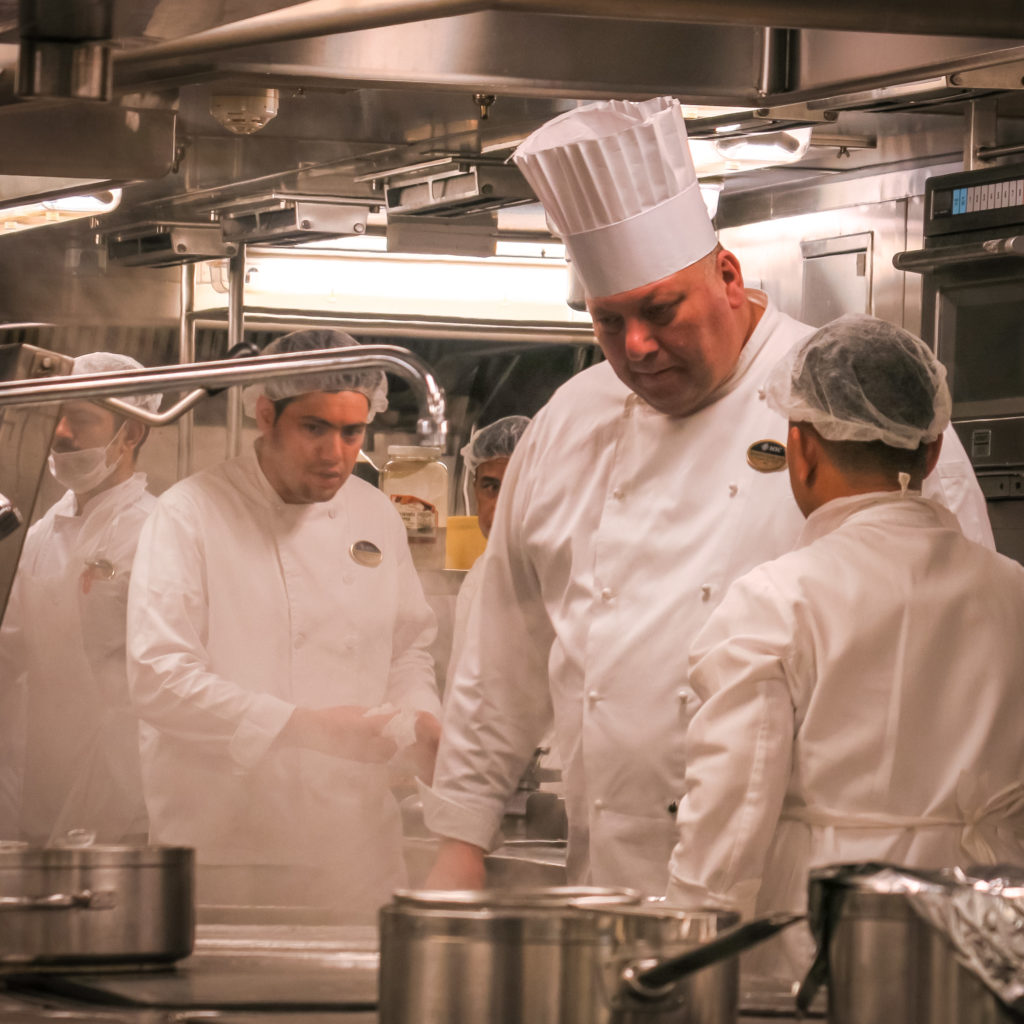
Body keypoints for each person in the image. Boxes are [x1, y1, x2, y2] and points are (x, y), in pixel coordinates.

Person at [422, 96, 995, 894]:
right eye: (609, 322)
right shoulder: (568, 423)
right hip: (607, 879)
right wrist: (461, 834)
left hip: (803, 885)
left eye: (660, 310)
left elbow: (965, 647)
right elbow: (501, 652)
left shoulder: (850, 411)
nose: (637, 346)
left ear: (728, 276)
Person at [666, 314, 1024, 980]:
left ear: (800, 449)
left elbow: (729, 821)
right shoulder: (1015, 593)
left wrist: (686, 958)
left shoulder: (776, 600)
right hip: (988, 946)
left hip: (825, 943)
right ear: (932, 453)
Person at [127, 329, 441, 919]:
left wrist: (420, 717)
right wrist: (299, 726)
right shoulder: (189, 514)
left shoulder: (375, 512)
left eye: (352, 432)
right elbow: (158, 678)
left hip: (355, 851)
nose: (335, 453)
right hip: (228, 849)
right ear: (267, 415)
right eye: (314, 428)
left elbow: (405, 650)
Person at [0, 352, 160, 844]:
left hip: (124, 782)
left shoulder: (157, 532)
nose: (62, 432)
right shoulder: (39, 532)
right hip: (42, 772)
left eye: (82, 419)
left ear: (131, 433)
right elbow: (11, 652)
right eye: (58, 414)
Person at [446, 415, 532, 694]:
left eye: (516, 488)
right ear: (475, 489)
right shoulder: (481, 570)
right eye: (491, 487)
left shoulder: (554, 578)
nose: (499, 507)